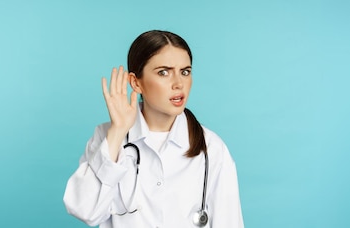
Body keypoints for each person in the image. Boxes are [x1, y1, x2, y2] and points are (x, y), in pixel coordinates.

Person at [63, 30, 244, 228]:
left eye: (185, 72)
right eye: (163, 72)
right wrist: (117, 132)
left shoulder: (212, 148)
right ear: (135, 82)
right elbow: (85, 211)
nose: (178, 83)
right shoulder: (106, 137)